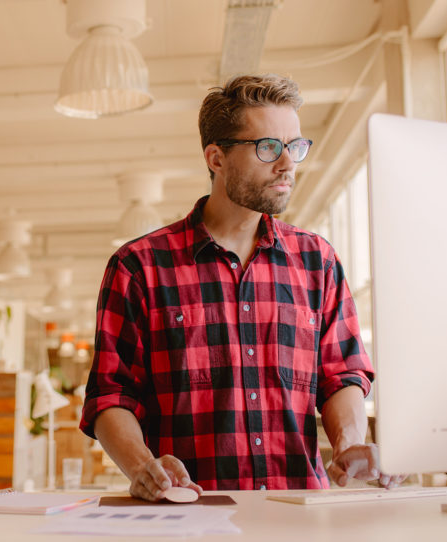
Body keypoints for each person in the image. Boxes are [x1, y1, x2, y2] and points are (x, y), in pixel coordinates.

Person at [79, 74, 406, 500]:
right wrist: (144, 467)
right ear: (216, 157)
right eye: (268, 147)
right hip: (189, 516)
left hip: (299, 515)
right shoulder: (139, 266)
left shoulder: (317, 261)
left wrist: (348, 444)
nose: (287, 164)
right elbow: (111, 394)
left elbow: (341, 374)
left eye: (295, 147)